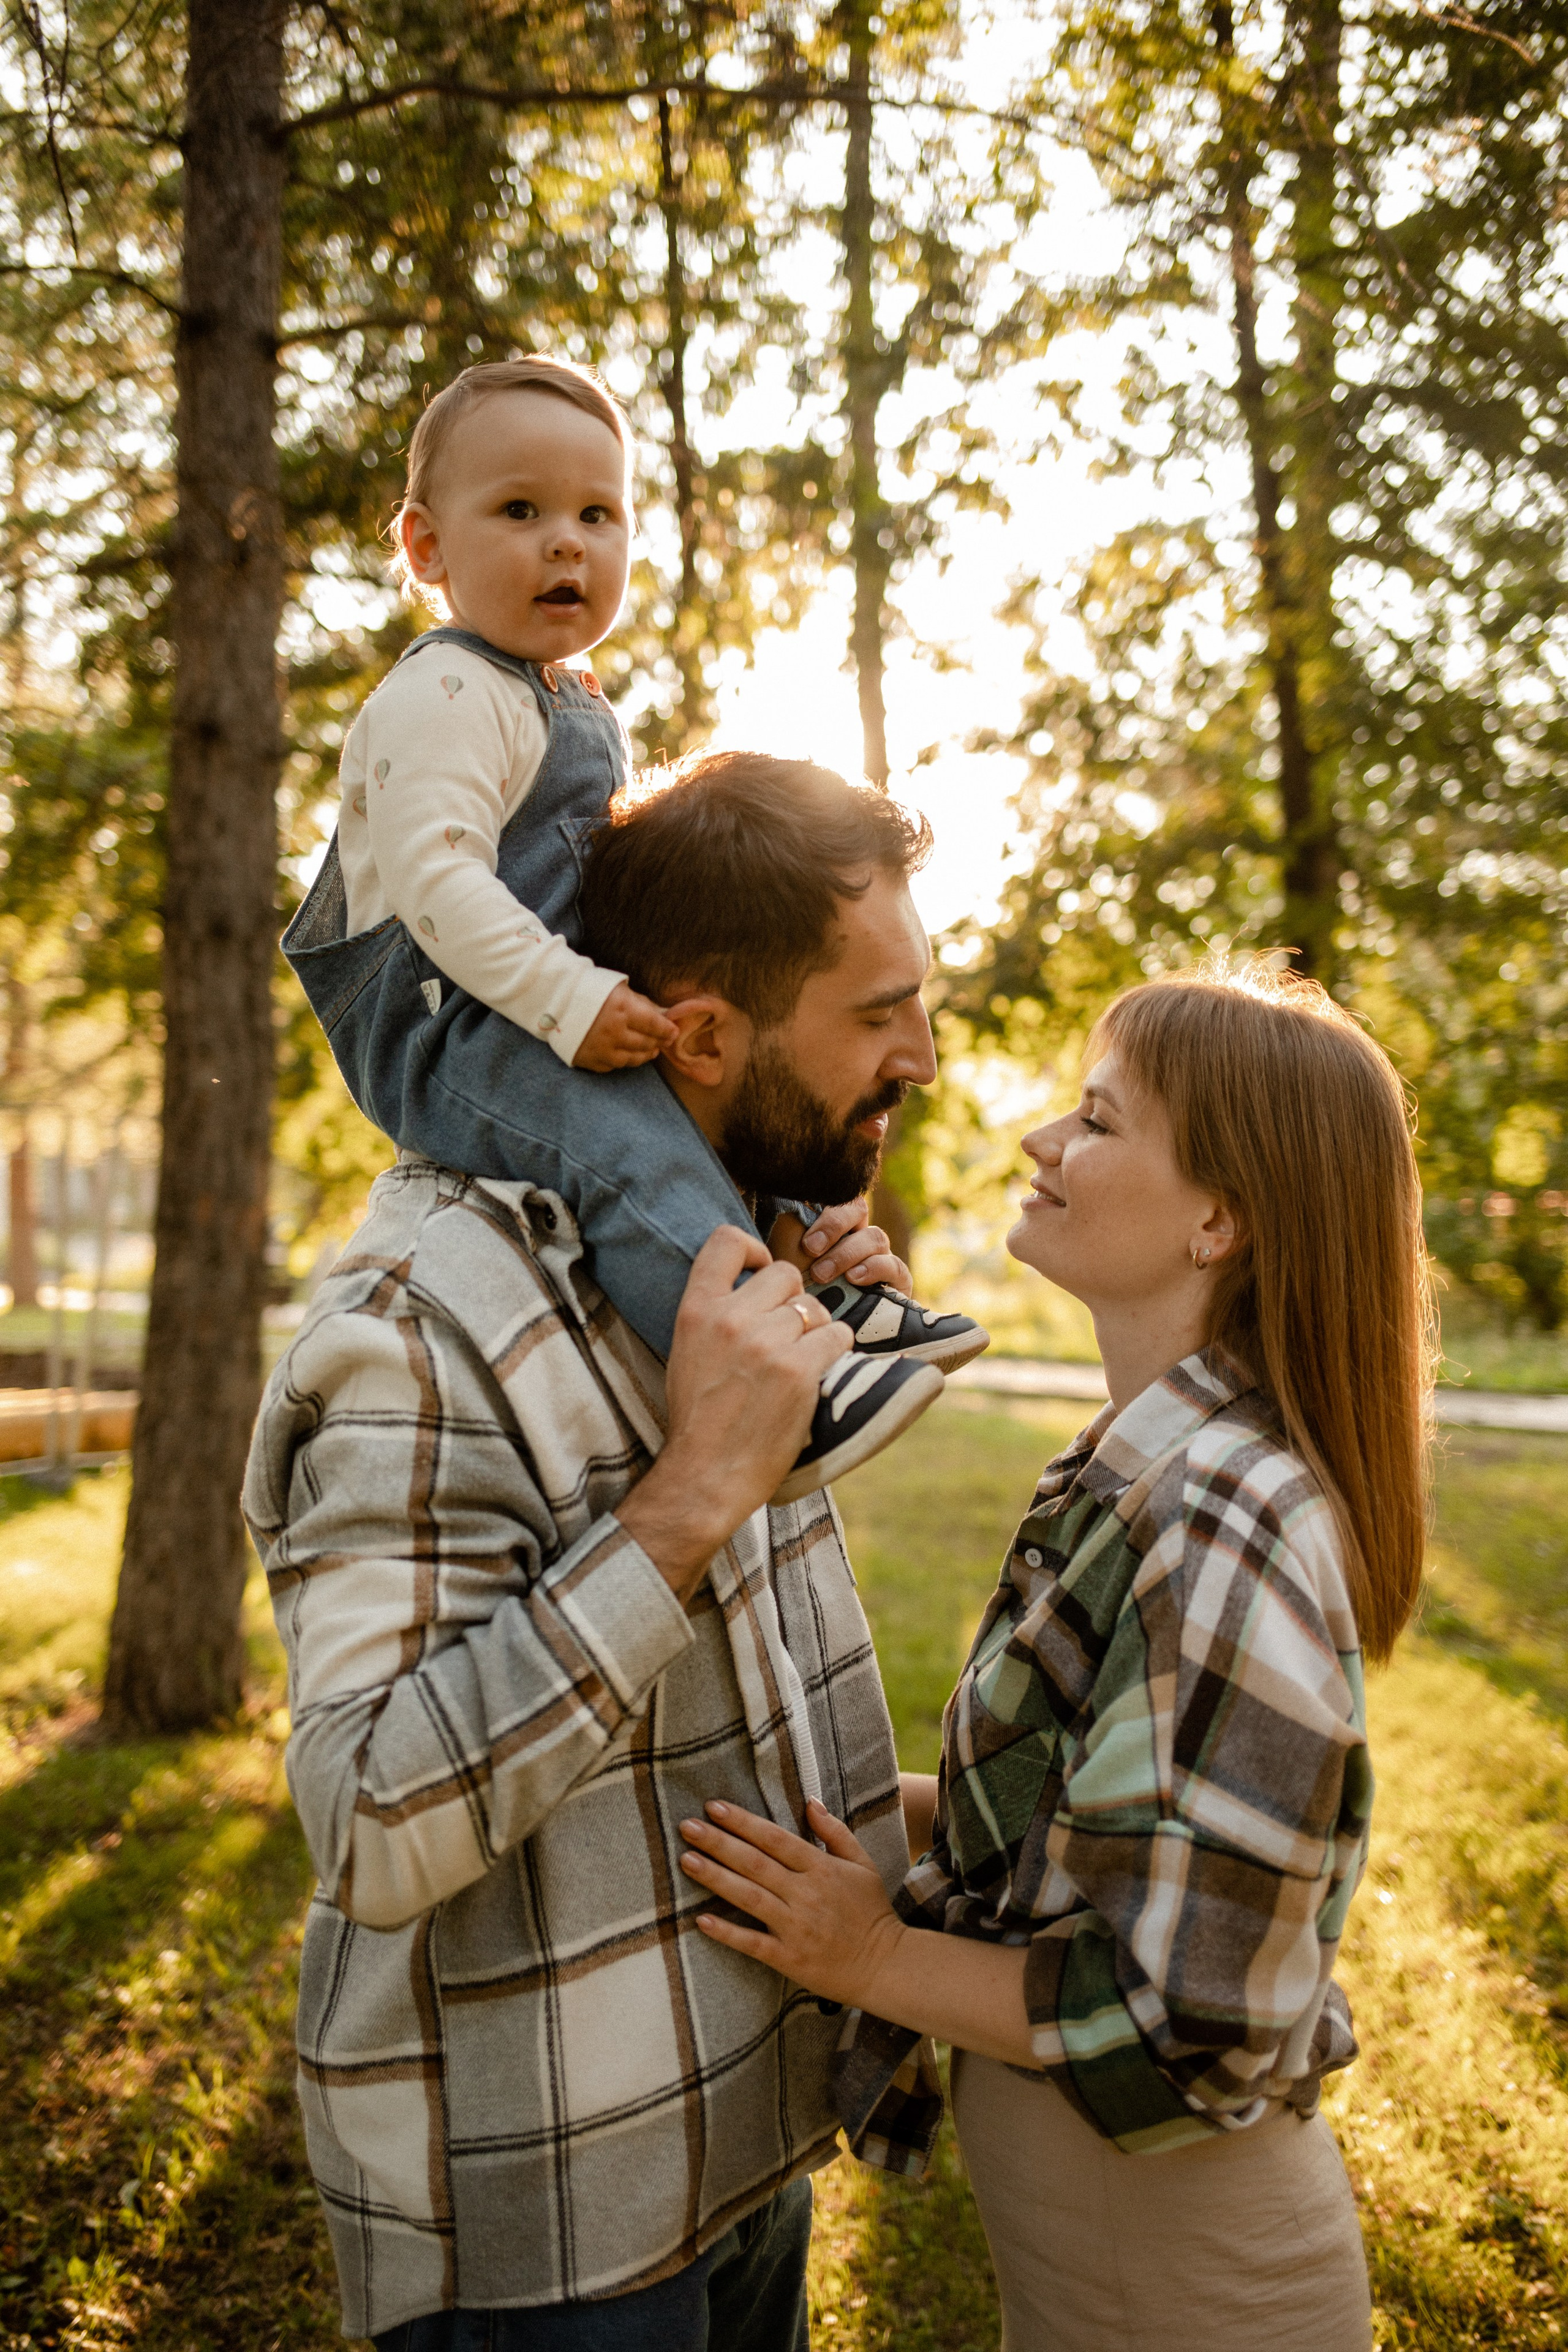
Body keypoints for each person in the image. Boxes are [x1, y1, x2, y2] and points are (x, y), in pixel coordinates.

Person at [243, 753, 950, 2350]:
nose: (919, 1055)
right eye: (878, 1014)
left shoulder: (719, 1253)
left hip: (743, 2140)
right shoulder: (420, 1329)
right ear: (699, 1036)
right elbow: (369, 1822)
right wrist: (688, 1495)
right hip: (556, 2229)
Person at [677, 963, 1433, 2352]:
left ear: (1218, 1220)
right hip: (1108, 2274)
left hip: (1192, 2295)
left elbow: (1187, 2010)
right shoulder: (1135, 1466)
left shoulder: (1223, 1518)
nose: (1038, 1141)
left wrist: (871, 1953)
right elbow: (1071, 1833)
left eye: (1096, 1120)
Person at [281, 354, 984, 1504]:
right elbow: (437, 883)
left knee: (752, 1090)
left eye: (598, 515)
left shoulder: (570, 697)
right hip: (446, 1024)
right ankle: (775, 1382)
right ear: (426, 547)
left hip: (551, 995)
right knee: (621, 1144)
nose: (567, 543)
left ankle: (826, 1290)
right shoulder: (443, 696)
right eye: (522, 511)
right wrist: (575, 1001)